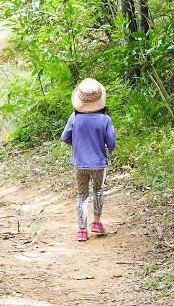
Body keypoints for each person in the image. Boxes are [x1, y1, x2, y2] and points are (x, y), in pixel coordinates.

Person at [61, 78, 116, 242]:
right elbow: (111, 141)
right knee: (98, 190)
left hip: (79, 163)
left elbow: (65, 137)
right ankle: (97, 223)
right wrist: (108, 148)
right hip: (98, 163)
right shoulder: (105, 120)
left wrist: (77, 144)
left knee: (81, 195)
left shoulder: (74, 118)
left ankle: (82, 230)